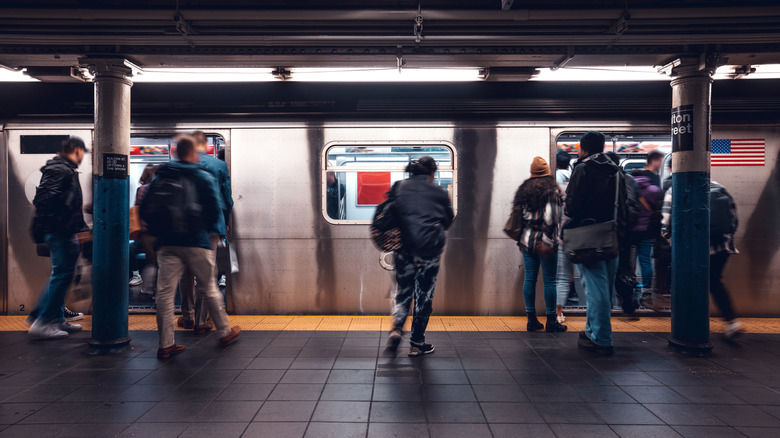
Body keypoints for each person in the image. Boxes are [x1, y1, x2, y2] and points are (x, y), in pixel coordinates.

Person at [143, 135, 240, 359]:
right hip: (196, 240)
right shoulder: (202, 175)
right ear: (192, 152)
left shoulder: (162, 174)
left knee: (165, 294)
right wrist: (206, 230)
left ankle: (166, 344)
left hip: (167, 243)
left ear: (177, 151)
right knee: (209, 285)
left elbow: (147, 207)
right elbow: (216, 207)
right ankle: (223, 331)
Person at [565, 131, 627, 356]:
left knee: (595, 290)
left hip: (589, 236)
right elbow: (624, 204)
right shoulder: (616, 171)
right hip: (612, 235)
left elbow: (572, 207)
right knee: (604, 289)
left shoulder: (583, 168)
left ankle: (601, 339)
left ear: (583, 148)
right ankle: (592, 331)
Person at [386, 156, 454, 357]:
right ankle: (417, 343)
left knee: (403, 293)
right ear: (432, 172)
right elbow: (448, 220)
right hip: (429, 252)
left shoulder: (398, 186)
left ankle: (397, 329)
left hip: (403, 251)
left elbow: (391, 215)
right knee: (424, 297)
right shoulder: (439, 191)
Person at [662, 180, 744, 338]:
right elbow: (734, 220)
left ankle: (692, 325)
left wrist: (671, 242)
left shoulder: (675, 190)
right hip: (721, 246)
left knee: (689, 284)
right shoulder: (720, 187)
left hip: (691, 248)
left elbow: (666, 221)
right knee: (714, 282)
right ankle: (732, 321)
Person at [27, 136, 89, 339]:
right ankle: (43, 321)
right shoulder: (60, 170)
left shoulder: (64, 169)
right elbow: (45, 200)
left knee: (63, 274)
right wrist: (63, 227)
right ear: (77, 150)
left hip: (63, 231)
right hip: (59, 232)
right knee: (61, 275)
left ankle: (55, 317)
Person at [177, 131, 234, 334]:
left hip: (186, 227)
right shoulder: (218, 166)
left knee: (186, 272)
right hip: (212, 226)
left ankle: (187, 316)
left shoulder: (181, 165)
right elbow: (227, 199)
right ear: (207, 145)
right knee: (206, 273)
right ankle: (202, 321)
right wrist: (225, 223)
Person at [514, 157, 567, 332]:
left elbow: (518, 218)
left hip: (527, 240)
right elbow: (553, 218)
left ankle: (531, 320)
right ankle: (551, 320)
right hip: (546, 241)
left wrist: (520, 241)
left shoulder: (523, 190)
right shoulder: (551, 191)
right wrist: (547, 241)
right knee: (550, 281)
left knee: (530, 279)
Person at [629, 169, 662, 307]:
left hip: (631, 231)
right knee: (645, 261)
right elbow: (658, 212)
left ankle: (630, 284)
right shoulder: (654, 190)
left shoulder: (628, 188)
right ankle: (646, 289)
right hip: (647, 231)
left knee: (630, 261)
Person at [554, 151, 574, 323]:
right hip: (583, 237)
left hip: (563, 235)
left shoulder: (557, 186)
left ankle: (558, 313)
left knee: (562, 276)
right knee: (587, 278)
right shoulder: (578, 184)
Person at [135, 164, 159, 296]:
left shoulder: (141, 189)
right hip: (161, 231)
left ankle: (148, 288)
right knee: (162, 263)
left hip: (146, 232)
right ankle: (160, 293)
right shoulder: (160, 188)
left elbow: (137, 210)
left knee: (151, 261)